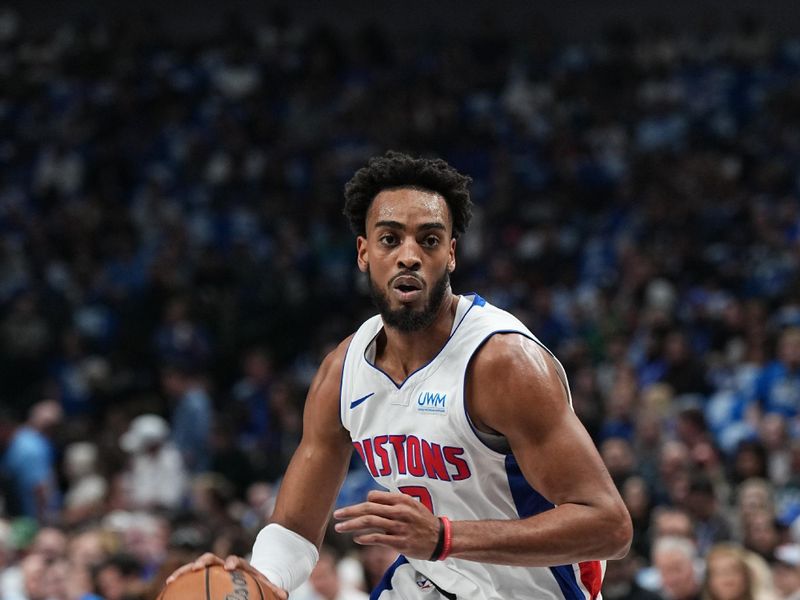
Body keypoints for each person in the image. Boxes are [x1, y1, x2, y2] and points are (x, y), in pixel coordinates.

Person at [168, 151, 632, 599]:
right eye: (390, 239)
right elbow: (295, 527)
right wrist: (256, 581)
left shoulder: (502, 363)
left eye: (428, 240)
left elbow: (610, 527)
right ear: (364, 253)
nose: (409, 255)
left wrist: (444, 538)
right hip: (433, 582)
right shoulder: (342, 372)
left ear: (450, 254)